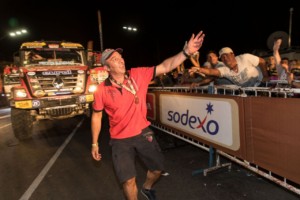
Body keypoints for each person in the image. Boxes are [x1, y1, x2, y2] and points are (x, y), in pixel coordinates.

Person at [91, 31, 205, 200]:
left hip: (142, 133)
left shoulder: (138, 74)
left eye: (120, 57)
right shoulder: (101, 89)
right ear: (107, 68)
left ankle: (147, 187)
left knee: (157, 169)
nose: (120, 60)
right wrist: (94, 143)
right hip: (119, 140)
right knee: (128, 181)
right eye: (114, 60)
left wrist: (186, 52)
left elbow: (166, 66)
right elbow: (96, 116)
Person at [189, 47, 269, 87]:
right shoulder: (224, 69)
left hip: (262, 85)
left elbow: (262, 61)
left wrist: (265, 76)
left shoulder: (245, 57)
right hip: (248, 91)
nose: (225, 58)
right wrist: (199, 69)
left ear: (232, 54)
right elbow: (211, 72)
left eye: (226, 55)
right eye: (222, 57)